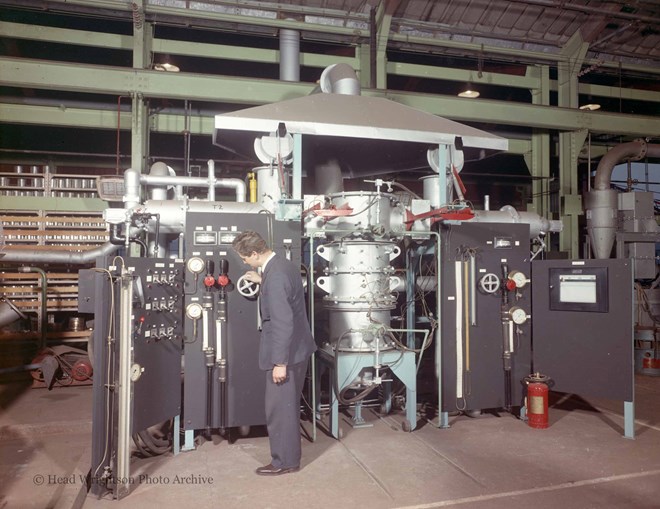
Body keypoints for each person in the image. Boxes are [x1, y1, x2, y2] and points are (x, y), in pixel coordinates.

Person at [232, 230, 317, 476]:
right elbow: (285, 290)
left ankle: (284, 462)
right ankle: (288, 457)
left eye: (245, 258)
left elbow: (282, 322)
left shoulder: (276, 276)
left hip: (286, 355)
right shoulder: (283, 266)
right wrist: (263, 281)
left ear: (255, 253)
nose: (245, 262)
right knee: (286, 408)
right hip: (299, 349)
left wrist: (280, 362)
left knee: (279, 411)